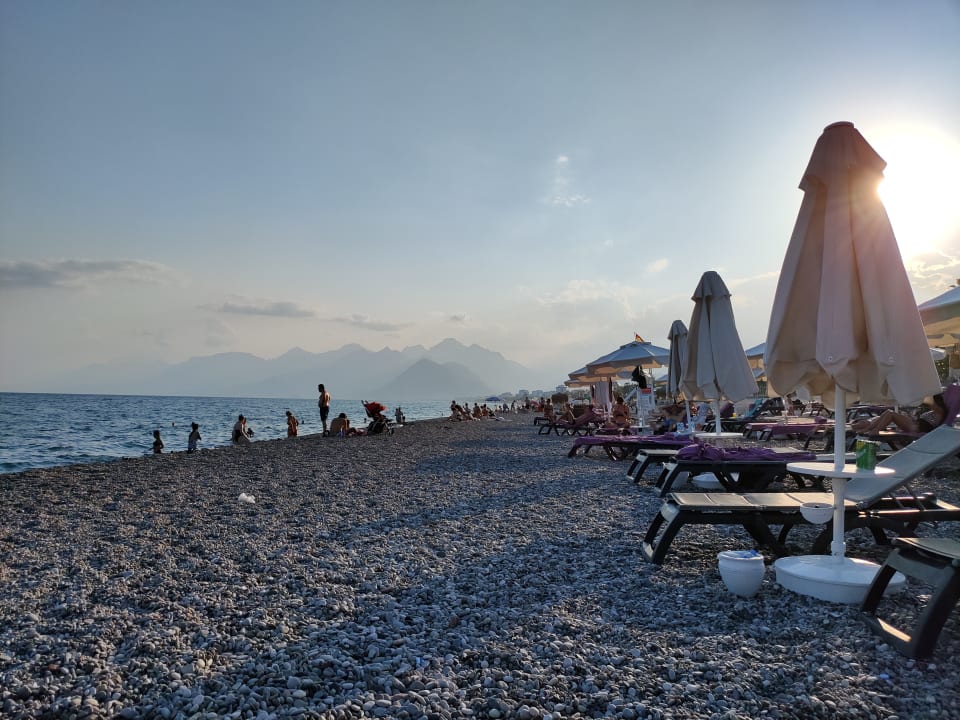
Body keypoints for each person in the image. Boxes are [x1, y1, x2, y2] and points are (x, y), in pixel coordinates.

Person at [850, 394, 947, 435]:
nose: (931, 404)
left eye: (933, 403)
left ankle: (874, 430)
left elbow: (932, 426)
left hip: (916, 428)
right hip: (914, 424)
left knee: (890, 413)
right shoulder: (935, 412)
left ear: (938, 404)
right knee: (887, 413)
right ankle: (869, 428)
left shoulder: (941, 412)